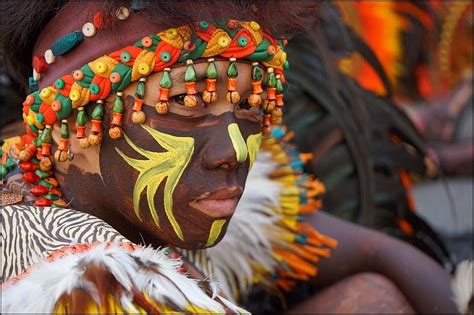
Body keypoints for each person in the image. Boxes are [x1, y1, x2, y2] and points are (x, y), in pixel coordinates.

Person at [0, 1, 460, 313]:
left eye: (249, 107)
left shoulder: (153, 204)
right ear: (74, 123)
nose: (234, 151)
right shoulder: (71, 281)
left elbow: (378, 251)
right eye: (182, 104)